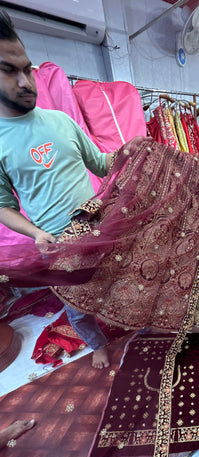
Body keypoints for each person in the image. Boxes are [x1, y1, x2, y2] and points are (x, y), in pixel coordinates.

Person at [0, 9, 115, 369]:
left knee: (124, 284)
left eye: (27, 69)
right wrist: (35, 234)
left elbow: (100, 163)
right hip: (58, 244)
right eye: (8, 70)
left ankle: (144, 326)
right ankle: (98, 345)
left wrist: (135, 152)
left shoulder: (61, 121)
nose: (25, 81)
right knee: (77, 308)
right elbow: (3, 206)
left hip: (100, 224)